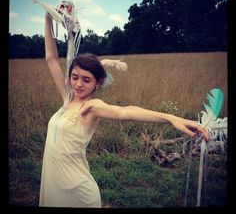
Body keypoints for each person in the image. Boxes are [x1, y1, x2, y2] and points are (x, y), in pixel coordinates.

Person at [39, 13, 208, 208]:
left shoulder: (91, 107)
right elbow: (51, 58)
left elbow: (124, 112)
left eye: (86, 80)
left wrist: (170, 118)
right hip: (53, 184)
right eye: (75, 77)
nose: (78, 84)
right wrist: (48, 18)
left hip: (77, 191)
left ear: (97, 84)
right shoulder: (67, 98)